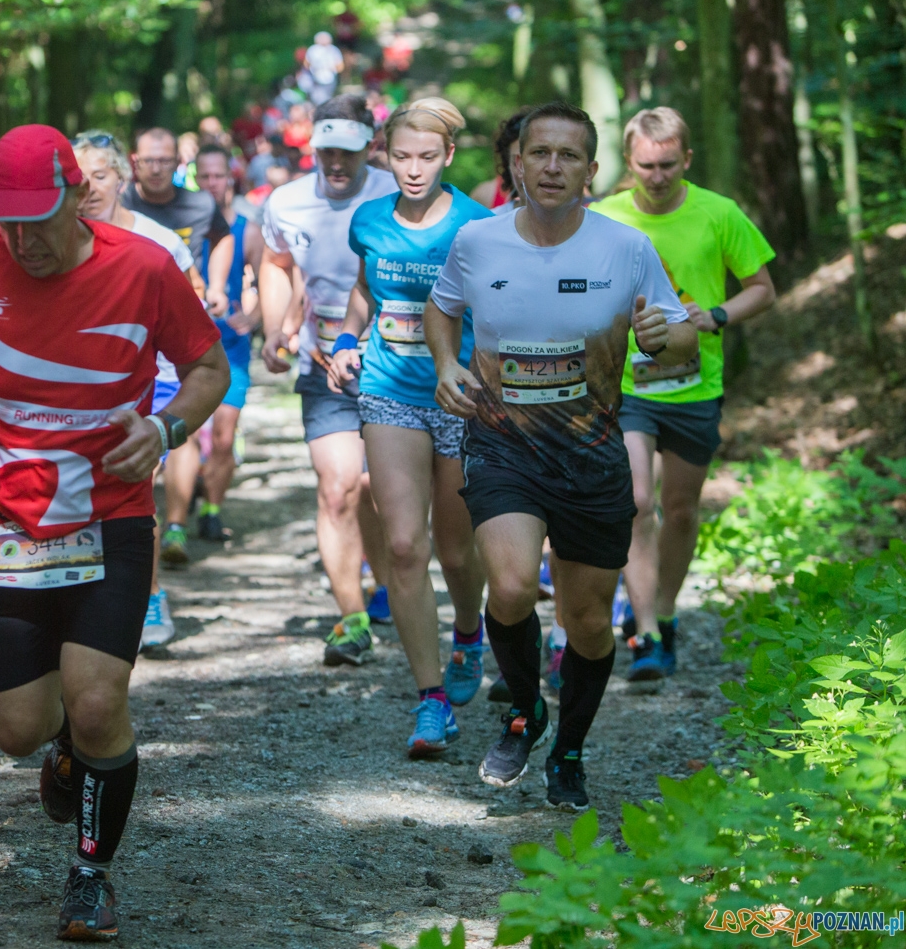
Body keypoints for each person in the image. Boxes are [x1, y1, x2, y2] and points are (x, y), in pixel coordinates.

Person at [0, 125, 228, 940]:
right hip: (4, 518)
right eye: (7, 223)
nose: (22, 241)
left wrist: (165, 430)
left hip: (108, 513)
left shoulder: (144, 267)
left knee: (96, 702)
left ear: (78, 196)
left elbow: (209, 367)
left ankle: (91, 875)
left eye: (37, 221)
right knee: (19, 729)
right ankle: (63, 745)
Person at [425, 101, 698, 811]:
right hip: (502, 444)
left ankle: (569, 748)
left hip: (590, 453)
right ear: (517, 164)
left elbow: (683, 341)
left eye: (568, 155)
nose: (552, 166)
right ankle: (524, 711)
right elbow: (442, 306)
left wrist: (662, 335)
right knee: (512, 586)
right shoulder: (477, 241)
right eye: (539, 153)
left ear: (591, 170)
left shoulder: (626, 248)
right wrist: (446, 364)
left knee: (588, 623)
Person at [328, 98, 491, 756]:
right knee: (402, 546)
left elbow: (499, 306)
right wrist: (346, 339)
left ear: (448, 156)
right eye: (401, 157)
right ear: (384, 156)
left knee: (456, 550)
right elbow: (365, 291)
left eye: (427, 157)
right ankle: (431, 699)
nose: (414, 170)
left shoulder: (478, 226)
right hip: (389, 390)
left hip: (460, 396)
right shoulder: (368, 219)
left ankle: (470, 632)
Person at [591, 107, 776, 680]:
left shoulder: (719, 213)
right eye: (646, 165)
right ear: (630, 162)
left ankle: (665, 610)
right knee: (636, 500)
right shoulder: (605, 218)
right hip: (628, 385)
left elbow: (762, 289)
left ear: (687, 160)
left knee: (681, 509)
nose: (657, 176)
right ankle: (645, 631)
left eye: (668, 164)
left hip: (696, 385)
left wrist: (716, 315)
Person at [258, 93, 397, 666]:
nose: (336, 163)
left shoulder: (397, 193)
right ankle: (352, 619)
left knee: (377, 488)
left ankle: (390, 581)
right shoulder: (287, 202)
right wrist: (275, 327)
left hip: (395, 365)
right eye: (326, 152)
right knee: (339, 486)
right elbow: (276, 263)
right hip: (324, 367)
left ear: (371, 146)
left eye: (348, 152)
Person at [73, 130, 206, 648]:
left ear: (121, 179)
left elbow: (193, 305)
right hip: (88, 381)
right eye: (79, 178)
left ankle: (149, 597)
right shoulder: (58, 239)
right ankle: (84, 593)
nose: (89, 188)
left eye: (100, 176)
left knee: (135, 483)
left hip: (159, 377)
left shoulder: (159, 241)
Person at [122, 127, 232, 570]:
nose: (156, 169)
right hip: (130, 331)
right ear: (134, 162)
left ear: (176, 163)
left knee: (179, 420)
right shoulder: (117, 202)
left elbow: (223, 237)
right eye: (148, 160)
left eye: (165, 161)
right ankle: (143, 535)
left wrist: (216, 286)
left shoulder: (199, 204)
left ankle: (176, 524)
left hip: (183, 323)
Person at [193, 143, 264, 541]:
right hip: (183, 349)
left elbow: (270, 280)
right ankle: (183, 502)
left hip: (230, 349)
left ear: (230, 178)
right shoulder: (183, 225)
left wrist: (252, 319)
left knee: (223, 436)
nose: (212, 183)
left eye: (218, 175)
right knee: (186, 434)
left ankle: (212, 511)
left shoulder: (247, 230)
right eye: (204, 176)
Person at [469, 107, 534, 212]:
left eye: (536, 157)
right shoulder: (485, 196)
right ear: (507, 163)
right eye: (516, 162)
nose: (523, 171)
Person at [304, 31, 345, 105]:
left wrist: (331, 69)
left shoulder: (334, 50)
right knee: (316, 97)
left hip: (330, 78)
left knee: (327, 97)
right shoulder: (312, 50)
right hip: (315, 77)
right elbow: (306, 63)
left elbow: (340, 66)